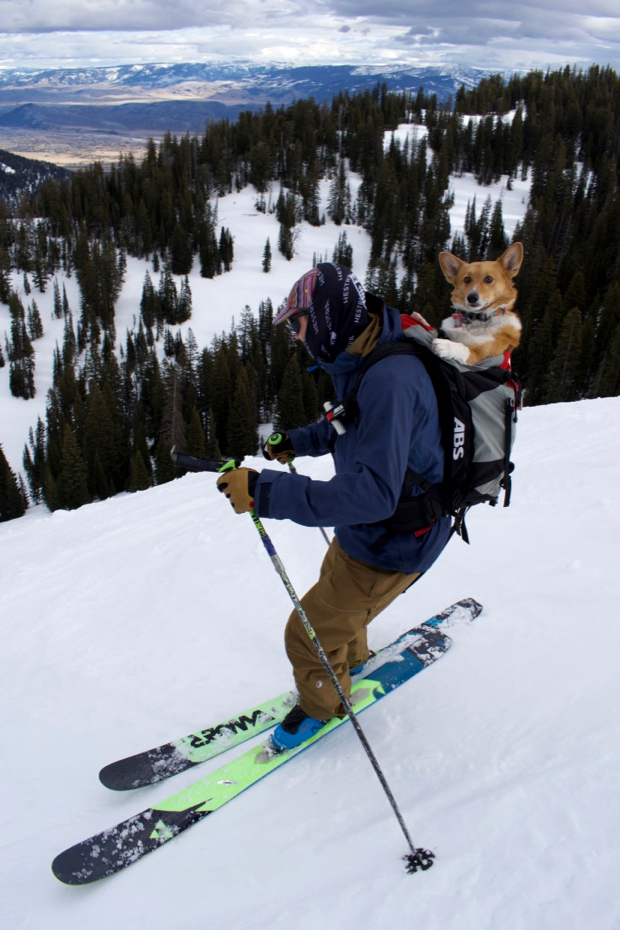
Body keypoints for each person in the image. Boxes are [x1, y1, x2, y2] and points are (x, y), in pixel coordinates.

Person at [217, 262, 451, 751]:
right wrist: (297, 442)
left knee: (304, 635)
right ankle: (353, 658)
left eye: (299, 324)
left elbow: (372, 493)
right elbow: (351, 421)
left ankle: (324, 706)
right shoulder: (365, 348)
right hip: (374, 529)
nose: (298, 336)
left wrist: (264, 491)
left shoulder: (391, 377)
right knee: (333, 589)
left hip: (394, 539)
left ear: (324, 318)